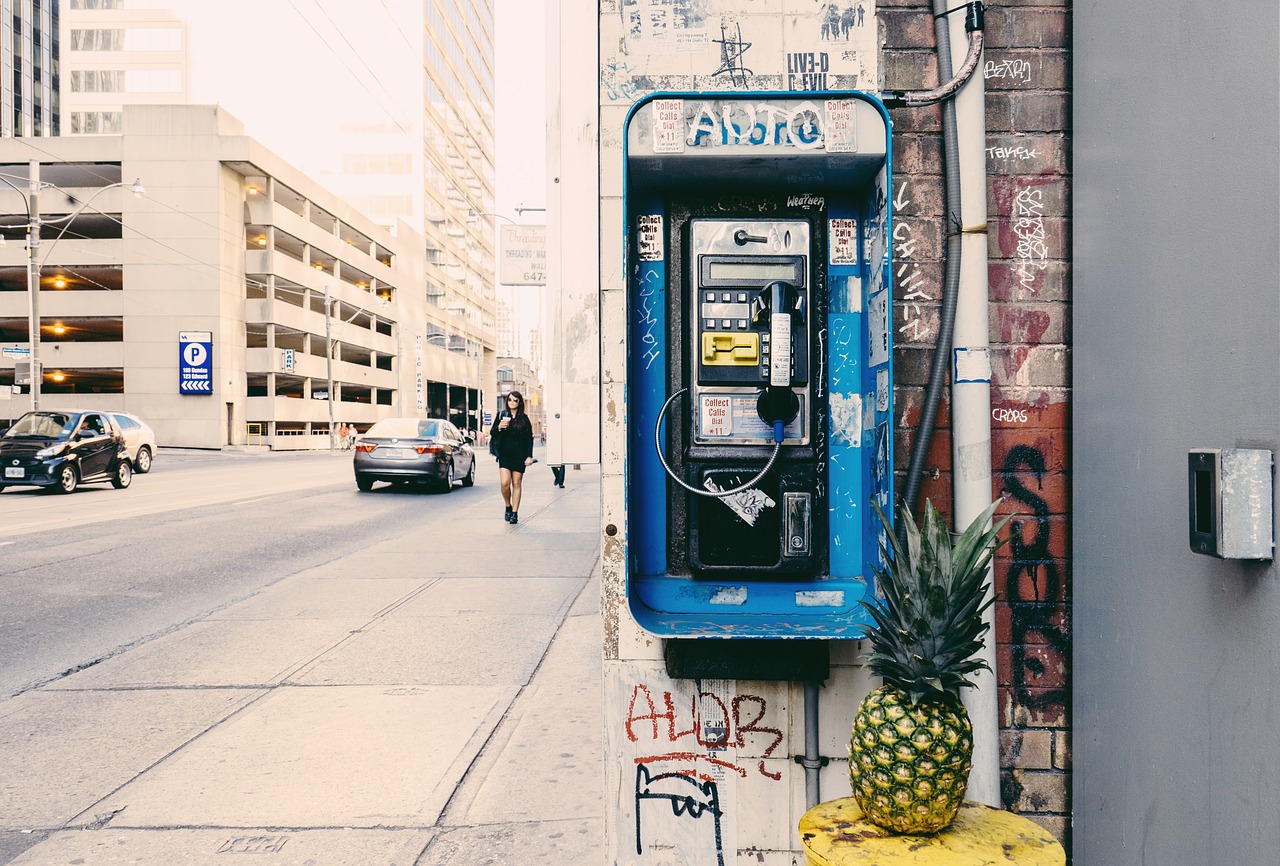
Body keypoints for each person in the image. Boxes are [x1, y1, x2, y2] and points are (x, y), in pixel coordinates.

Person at [489, 390, 535, 524]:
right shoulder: (502, 415)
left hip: (519, 456)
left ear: (520, 402)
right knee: (504, 483)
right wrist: (499, 427)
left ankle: (514, 513)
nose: (512, 402)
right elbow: (492, 432)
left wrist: (529, 456)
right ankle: (507, 505)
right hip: (505, 455)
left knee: (517, 483)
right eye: (510, 400)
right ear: (507, 401)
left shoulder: (524, 418)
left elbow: (529, 439)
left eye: (515, 400)